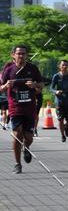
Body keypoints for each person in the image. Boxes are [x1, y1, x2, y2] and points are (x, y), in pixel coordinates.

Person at [0, 45, 43, 173]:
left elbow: (41, 86)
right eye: (19, 53)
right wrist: (6, 85)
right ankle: (17, 163)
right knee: (17, 134)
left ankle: (26, 147)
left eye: (24, 54)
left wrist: (34, 84)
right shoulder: (8, 70)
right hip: (15, 107)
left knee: (29, 137)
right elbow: (0, 87)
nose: (21, 56)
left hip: (29, 107)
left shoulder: (32, 68)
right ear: (13, 55)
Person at [51, 60, 68, 142]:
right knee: (60, 119)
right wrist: (56, 91)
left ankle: (66, 127)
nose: (65, 66)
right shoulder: (56, 76)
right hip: (59, 101)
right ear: (59, 66)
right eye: (63, 65)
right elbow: (51, 88)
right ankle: (62, 135)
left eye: (66, 65)